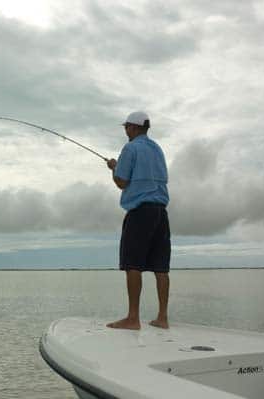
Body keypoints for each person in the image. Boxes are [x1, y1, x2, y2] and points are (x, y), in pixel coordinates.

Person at [106, 111, 171, 330]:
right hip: (161, 213)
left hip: (140, 212)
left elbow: (122, 182)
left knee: (132, 264)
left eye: (127, 127)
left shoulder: (130, 148)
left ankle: (133, 318)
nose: (125, 131)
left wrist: (114, 168)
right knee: (161, 267)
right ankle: (162, 318)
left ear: (134, 128)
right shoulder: (157, 149)